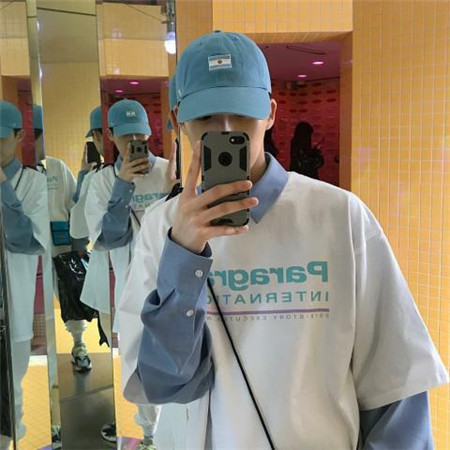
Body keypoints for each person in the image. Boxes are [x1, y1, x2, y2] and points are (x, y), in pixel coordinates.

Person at [117, 31, 449, 449]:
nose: (226, 130)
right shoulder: (162, 230)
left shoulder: (339, 216)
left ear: (271, 113)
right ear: (179, 119)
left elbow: (394, 385)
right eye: (206, 118)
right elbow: (164, 384)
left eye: (242, 114)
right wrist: (183, 258)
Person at [85, 99, 175, 449]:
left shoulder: (169, 171)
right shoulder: (102, 182)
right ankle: (150, 436)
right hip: (131, 288)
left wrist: (175, 188)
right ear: (110, 136)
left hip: (171, 284)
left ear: (149, 133)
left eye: (139, 135)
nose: (134, 142)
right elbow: (107, 239)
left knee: (176, 357)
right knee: (137, 363)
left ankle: (172, 433)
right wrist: (122, 186)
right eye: (126, 137)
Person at [0, 101, 48, 448]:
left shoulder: (33, 183)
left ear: (19, 137)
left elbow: (25, 241)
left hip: (11, 307)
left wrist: (3, 186)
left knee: (10, 389)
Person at [33, 104, 92, 372]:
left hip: (59, 245)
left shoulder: (56, 167)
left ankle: (79, 345)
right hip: (25, 249)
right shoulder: (11, 172)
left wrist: (79, 245)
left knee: (68, 294)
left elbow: (74, 203)